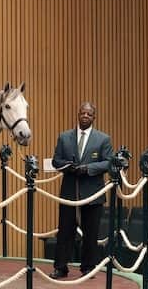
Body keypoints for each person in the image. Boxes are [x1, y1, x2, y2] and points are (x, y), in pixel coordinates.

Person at [49, 102, 113, 279]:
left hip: (93, 194)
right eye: (83, 113)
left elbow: (109, 162)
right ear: (78, 115)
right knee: (64, 232)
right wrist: (68, 166)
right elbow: (56, 161)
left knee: (91, 233)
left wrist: (88, 168)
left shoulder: (103, 139)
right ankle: (61, 268)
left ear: (94, 117)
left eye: (89, 114)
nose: (85, 116)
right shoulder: (64, 137)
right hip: (69, 192)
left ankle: (88, 268)